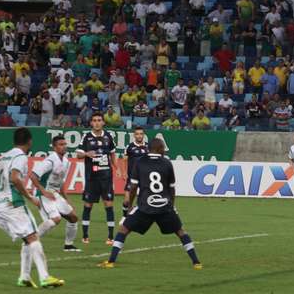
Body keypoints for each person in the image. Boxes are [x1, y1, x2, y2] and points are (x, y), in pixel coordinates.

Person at [0, 127, 64, 288]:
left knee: (28, 238)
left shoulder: (2, 158)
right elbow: (15, 178)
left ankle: (24, 277)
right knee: (33, 237)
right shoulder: (20, 157)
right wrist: (30, 197)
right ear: (29, 141)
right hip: (12, 205)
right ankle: (45, 277)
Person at [99, 138, 201, 269]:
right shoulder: (167, 163)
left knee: (124, 229)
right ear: (159, 149)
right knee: (180, 232)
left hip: (144, 207)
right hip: (164, 206)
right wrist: (172, 205)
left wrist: (130, 205)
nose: (164, 150)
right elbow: (172, 188)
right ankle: (196, 262)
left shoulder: (140, 162)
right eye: (163, 148)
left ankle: (111, 261)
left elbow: (133, 187)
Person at [76, 112, 122, 245]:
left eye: (99, 120)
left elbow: (113, 154)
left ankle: (110, 237)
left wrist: (116, 168)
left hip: (106, 177)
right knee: (88, 205)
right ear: (91, 123)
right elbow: (78, 154)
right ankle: (85, 235)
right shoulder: (86, 136)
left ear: (103, 122)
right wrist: (86, 153)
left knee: (108, 204)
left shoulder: (108, 136)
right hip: (92, 177)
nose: (96, 122)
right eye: (94, 120)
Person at [29, 135, 80, 252]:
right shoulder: (50, 161)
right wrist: (43, 191)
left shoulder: (66, 162)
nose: (64, 147)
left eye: (65, 144)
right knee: (56, 219)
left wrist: (66, 198)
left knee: (73, 217)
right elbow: (33, 176)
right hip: (42, 194)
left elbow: (60, 182)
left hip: (55, 194)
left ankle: (68, 245)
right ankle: (31, 240)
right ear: (54, 147)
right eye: (60, 145)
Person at [122, 126, 149, 218]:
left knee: (144, 200)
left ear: (143, 135)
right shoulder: (129, 147)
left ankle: (140, 217)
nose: (139, 136)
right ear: (134, 135)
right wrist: (124, 172)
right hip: (132, 177)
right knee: (126, 200)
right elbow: (125, 160)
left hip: (144, 178)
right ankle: (125, 216)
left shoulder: (148, 146)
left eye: (141, 134)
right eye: (137, 134)